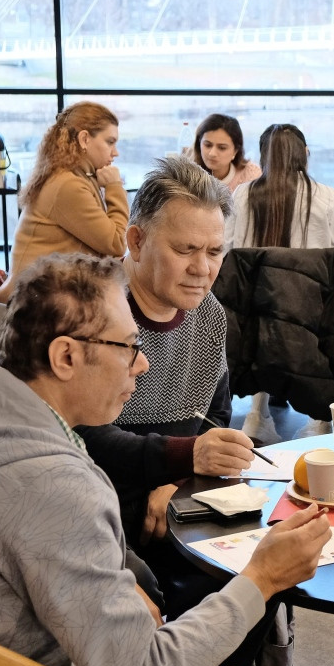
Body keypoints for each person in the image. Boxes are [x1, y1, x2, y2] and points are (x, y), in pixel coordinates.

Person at [0, 252, 334, 666]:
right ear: (66, 356)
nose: (143, 362)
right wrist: (261, 578)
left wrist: (116, 576)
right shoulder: (49, 482)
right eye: (128, 345)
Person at [74, 155, 261, 622]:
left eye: (214, 252)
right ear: (136, 241)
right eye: (185, 250)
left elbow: (213, 418)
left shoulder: (209, 314)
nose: (203, 268)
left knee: (266, 568)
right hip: (91, 502)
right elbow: (76, 435)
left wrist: (177, 482)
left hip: (176, 494)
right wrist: (180, 461)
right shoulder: (90, 310)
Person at [226, 123, 334, 444]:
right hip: (311, 312)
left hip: (255, 312)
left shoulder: (244, 194)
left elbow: (228, 253)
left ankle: (256, 414)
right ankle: (320, 419)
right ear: (304, 155)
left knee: (266, 315)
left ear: (263, 156)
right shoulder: (326, 196)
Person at [0, 101, 128, 301]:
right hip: (31, 305)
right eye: (110, 142)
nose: (115, 152)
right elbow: (116, 243)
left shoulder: (77, 177)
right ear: (84, 139)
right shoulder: (68, 185)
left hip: (45, 294)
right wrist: (114, 187)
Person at [192, 113, 262, 193]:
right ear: (199, 144)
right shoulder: (188, 175)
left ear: (236, 150)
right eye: (207, 145)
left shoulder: (252, 176)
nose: (212, 153)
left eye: (222, 148)